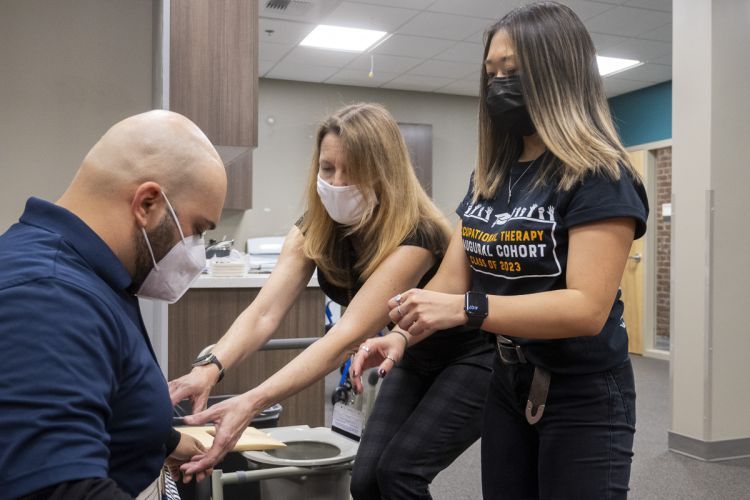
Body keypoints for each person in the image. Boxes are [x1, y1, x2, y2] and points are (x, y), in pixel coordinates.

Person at [351, 3, 649, 499]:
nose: (498, 84)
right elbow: (451, 282)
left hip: (583, 390)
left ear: (558, 73)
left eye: (513, 71)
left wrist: (469, 309)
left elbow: (586, 308)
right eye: (492, 73)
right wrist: (404, 335)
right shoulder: (491, 176)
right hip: (508, 378)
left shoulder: (601, 175)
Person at [168, 103, 494, 498]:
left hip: (470, 359)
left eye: (352, 169)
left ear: (383, 171)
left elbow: (345, 337)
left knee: (399, 474)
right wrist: (210, 367)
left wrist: (251, 402)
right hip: (410, 357)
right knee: (366, 480)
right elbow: (264, 313)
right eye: (327, 168)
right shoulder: (315, 229)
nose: (338, 182)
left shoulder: (417, 235)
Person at [0, 110, 227, 499]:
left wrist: (163, 440)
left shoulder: (93, 273)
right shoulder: (49, 297)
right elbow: (60, 490)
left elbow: (95, 395)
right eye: (199, 229)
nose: (197, 252)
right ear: (148, 204)